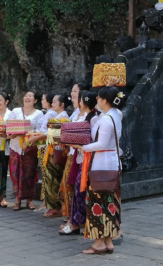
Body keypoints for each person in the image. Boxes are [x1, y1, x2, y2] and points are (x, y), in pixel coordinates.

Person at [78, 86, 124, 254]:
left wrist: (83, 147)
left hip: (101, 165)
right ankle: (108, 240)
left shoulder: (106, 119)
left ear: (105, 100)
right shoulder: (114, 116)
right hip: (110, 164)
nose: (96, 100)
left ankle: (99, 242)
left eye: (98, 98)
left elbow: (102, 144)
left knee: (97, 203)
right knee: (109, 204)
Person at [59, 91, 98, 235]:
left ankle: (76, 222)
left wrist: (74, 142)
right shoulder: (86, 117)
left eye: (79, 99)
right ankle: (74, 221)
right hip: (80, 156)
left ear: (84, 102)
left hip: (87, 158)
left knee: (80, 191)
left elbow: (90, 139)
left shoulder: (93, 119)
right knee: (77, 190)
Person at [8, 91, 44, 211]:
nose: (27, 98)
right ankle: (17, 200)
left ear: (35, 101)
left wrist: (29, 136)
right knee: (15, 172)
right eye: (26, 96)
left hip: (30, 147)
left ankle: (29, 200)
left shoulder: (39, 114)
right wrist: (12, 133)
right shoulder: (15, 111)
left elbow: (39, 130)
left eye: (30, 96)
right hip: (15, 146)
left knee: (30, 173)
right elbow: (9, 126)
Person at [42, 94, 71, 218]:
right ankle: (53, 206)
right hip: (52, 148)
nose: (52, 104)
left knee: (53, 178)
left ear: (62, 105)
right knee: (50, 178)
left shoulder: (63, 117)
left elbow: (58, 135)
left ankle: (56, 207)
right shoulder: (58, 116)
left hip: (57, 149)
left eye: (54, 102)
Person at [27, 93, 56, 213]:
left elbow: (46, 132)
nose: (42, 101)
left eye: (43, 99)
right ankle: (45, 202)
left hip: (46, 146)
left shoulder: (50, 114)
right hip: (42, 146)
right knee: (45, 175)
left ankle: (46, 203)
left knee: (47, 176)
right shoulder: (48, 113)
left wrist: (33, 138)